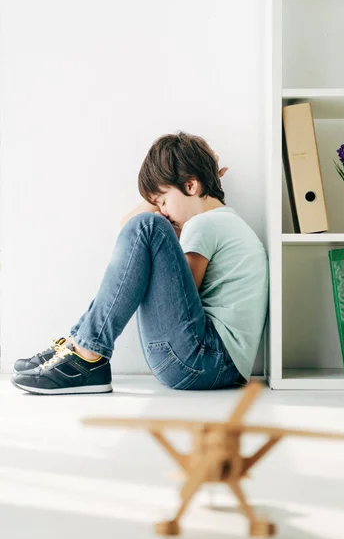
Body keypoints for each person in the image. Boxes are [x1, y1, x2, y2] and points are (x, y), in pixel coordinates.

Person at [12, 131, 269, 394]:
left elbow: (178, 294)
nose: (163, 211)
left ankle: (86, 351)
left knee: (149, 225)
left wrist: (159, 229)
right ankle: (81, 345)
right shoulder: (225, 222)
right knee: (146, 228)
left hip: (202, 361)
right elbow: (130, 234)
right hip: (216, 365)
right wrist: (182, 183)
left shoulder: (204, 226)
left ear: (191, 186)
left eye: (164, 200)